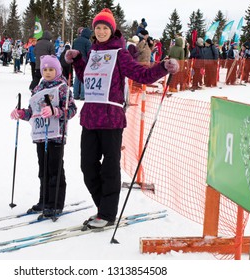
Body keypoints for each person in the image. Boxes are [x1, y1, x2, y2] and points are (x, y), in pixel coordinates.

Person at [64, 8, 179, 228]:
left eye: (104, 28)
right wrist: (78, 60)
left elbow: (141, 74)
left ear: (112, 30)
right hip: (90, 118)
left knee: (109, 169)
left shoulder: (120, 53)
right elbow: (86, 78)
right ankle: (103, 209)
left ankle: (107, 214)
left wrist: (163, 67)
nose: (100, 31)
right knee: (87, 167)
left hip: (111, 119)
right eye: (97, 27)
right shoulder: (94, 53)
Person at [10, 55, 77, 217]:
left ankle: (55, 203)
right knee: (43, 170)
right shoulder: (38, 88)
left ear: (58, 70)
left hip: (56, 135)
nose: (47, 73)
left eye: (51, 69)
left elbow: (72, 110)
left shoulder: (62, 88)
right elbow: (33, 111)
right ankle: (44, 200)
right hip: (40, 135)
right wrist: (21, 113)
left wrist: (56, 111)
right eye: (45, 69)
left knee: (55, 169)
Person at [72, 27, 92, 100]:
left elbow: (72, 50)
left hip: (76, 61)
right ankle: (83, 95)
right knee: (84, 79)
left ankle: (75, 94)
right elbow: (89, 53)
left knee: (77, 78)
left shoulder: (75, 40)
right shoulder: (87, 42)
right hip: (84, 62)